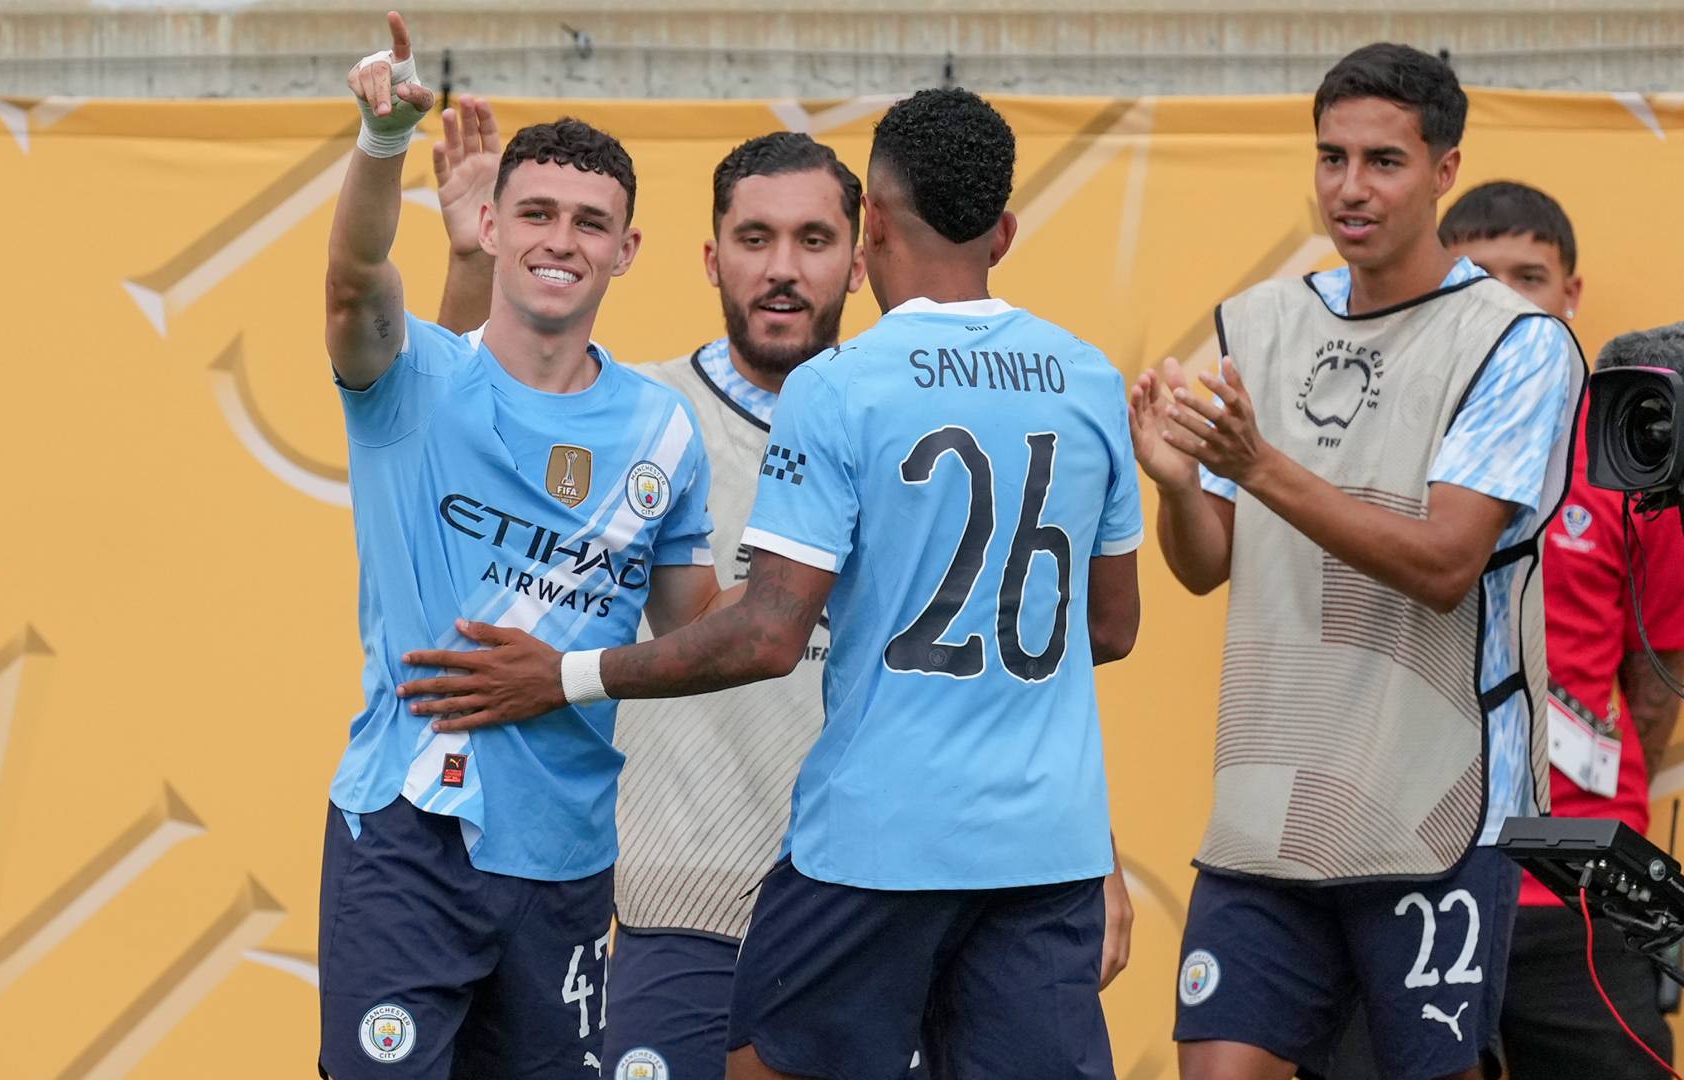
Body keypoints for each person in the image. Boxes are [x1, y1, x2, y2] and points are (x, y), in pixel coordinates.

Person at [397, 86, 1144, 1080]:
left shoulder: (852, 395)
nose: (784, 268)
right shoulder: (637, 411)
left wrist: (1102, 847)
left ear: (861, 243)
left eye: (812, 238)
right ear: (710, 257)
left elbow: (951, 645)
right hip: (691, 903)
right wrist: (466, 264)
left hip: (887, 883)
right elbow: (463, 430)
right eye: (754, 237)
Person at [1131, 44, 1584, 1080]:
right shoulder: (1268, 320)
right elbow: (1209, 566)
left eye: (1382, 160)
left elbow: (1445, 565)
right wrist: (1176, 484)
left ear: (1445, 169)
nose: (1349, 187)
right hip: (1270, 805)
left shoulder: (1515, 343)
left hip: (1437, 806)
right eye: (1331, 158)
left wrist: (1258, 464)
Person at [316, 13, 723, 1078]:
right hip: (406, 836)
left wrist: (828, 581)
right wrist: (383, 141)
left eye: (591, 223)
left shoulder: (664, 431)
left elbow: (692, 637)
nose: (561, 239)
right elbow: (357, 278)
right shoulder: (415, 384)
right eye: (536, 212)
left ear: (627, 252)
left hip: (566, 858)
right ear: (491, 228)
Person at [1442, 182, 1684, 1079]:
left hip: (1580, 875)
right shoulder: (1395, 441)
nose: (1507, 299)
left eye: (1530, 276)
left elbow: (1655, 676)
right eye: (1479, 276)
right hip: (1420, 859)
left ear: (1571, 295)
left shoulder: (1628, 455)